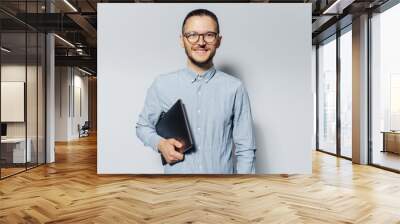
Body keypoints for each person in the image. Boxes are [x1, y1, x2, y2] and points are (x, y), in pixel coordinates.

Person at [136, 9, 256, 174]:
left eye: (209, 35)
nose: (200, 42)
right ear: (182, 40)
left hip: (222, 192)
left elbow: (246, 149)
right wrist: (160, 144)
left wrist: (243, 188)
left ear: (218, 41)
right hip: (176, 190)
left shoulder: (235, 88)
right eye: (192, 35)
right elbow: (143, 127)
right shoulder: (162, 84)